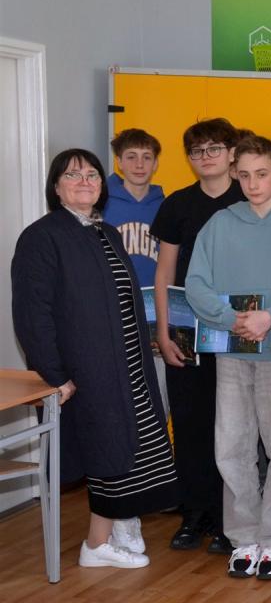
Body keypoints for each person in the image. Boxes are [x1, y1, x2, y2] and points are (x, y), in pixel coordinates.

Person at [12, 149, 179, 568]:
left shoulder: (107, 232)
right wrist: (55, 375)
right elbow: (32, 315)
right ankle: (96, 544)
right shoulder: (42, 237)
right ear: (56, 187)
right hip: (87, 369)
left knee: (134, 448)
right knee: (108, 451)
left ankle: (118, 528)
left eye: (92, 175)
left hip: (127, 363)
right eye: (73, 175)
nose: (84, 181)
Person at [185, 134, 271, 581]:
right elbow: (195, 284)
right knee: (232, 446)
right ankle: (244, 537)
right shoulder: (220, 223)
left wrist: (270, 315)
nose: (253, 184)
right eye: (244, 176)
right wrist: (231, 318)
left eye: (262, 174)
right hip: (232, 350)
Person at [151, 117, 244, 554]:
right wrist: (162, 329)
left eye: (214, 148)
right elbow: (164, 272)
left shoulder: (248, 197)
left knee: (235, 426)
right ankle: (195, 512)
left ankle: (230, 519)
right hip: (186, 326)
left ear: (231, 152)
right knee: (190, 423)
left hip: (237, 326)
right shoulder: (177, 204)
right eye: (197, 151)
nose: (206, 157)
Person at [104, 128, 168, 414]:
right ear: (119, 161)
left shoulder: (166, 206)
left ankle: (158, 442)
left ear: (156, 163)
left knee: (158, 395)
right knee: (117, 395)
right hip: (113, 311)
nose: (139, 165)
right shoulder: (101, 204)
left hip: (156, 313)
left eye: (146, 157)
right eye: (131, 157)